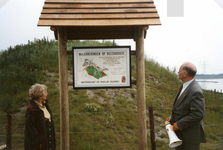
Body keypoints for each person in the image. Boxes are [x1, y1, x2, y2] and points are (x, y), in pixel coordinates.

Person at [166, 62, 206, 150]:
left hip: (190, 137)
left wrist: (179, 124)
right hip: (181, 135)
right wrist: (173, 117)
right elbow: (184, 107)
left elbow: (198, 114)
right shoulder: (186, 86)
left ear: (185, 74)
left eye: (179, 71)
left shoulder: (195, 91)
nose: (177, 72)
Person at [24, 83, 56, 150]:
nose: (47, 93)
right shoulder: (31, 109)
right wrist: (39, 142)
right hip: (39, 145)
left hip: (49, 141)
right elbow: (30, 129)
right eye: (45, 92)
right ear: (39, 95)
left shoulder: (45, 104)